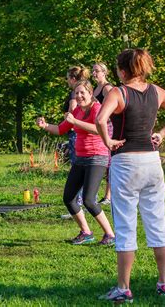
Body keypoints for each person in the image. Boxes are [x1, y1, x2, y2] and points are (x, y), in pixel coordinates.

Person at [96, 48, 165, 303]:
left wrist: (109, 142)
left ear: (123, 70)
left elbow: (101, 119)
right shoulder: (156, 92)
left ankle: (124, 288)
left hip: (125, 162)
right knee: (157, 223)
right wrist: (163, 133)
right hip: (152, 161)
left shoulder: (118, 92)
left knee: (126, 226)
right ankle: (163, 283)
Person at [36, 80, 115, 245]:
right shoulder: (77, 110)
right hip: (80, 158)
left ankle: (110, 235)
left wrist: (75, 122)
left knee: (89, 200)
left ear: (90, 93)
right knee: (69, 198)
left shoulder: (97, 108)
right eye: (76, 93)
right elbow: (60, 129)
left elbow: (97, 128)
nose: (78, 96)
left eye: (82, 93)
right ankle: (86, 232)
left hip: (97, 157)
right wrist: (44, 126)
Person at [60, 66, 91, 219]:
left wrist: (70, 118)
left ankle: (78, 204)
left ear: (72, 78)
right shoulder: (83, 89)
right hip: (78, 133)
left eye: (67, 78)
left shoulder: (75, 92)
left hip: (76, 134)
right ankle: (83, 203)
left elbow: (73, 110)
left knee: (79, 170)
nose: (67, 81)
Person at [92, 62, 114, 205]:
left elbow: (111, 109)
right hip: (97, 127)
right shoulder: (95, 89)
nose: (94, 73)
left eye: (97, 71)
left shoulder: (108, 88)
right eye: (93, 71)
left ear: (104, 72)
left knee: (108, 161)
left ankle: (108, 196)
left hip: (108, 127)